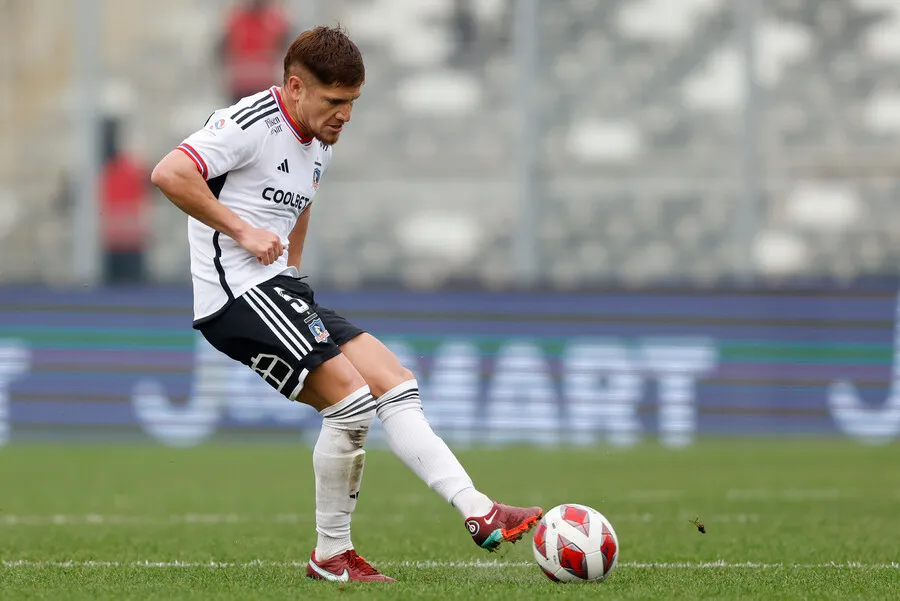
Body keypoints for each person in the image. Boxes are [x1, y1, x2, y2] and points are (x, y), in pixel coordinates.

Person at [150, 26, 541, 583]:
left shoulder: (319, 141)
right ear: (294, 87)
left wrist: (290, 274)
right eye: (335, 102)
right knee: (351, 403)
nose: (345, 116)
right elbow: (170, 173)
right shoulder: (248, 124)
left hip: (275, 288)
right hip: (233, 295)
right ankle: (331, 555)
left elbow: (298, 204)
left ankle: (479, 510)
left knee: (394, 380)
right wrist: (241, 231)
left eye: (353, 103)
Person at [218, 0, 292, 104]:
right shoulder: (235, 20)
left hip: (266, 85)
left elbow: (287, 52)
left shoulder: (278, 22)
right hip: (241, 85)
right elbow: (222, 51)